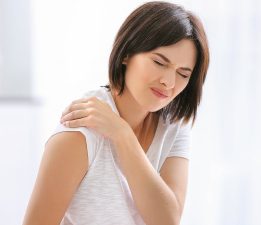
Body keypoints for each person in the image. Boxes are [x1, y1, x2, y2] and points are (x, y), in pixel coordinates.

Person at [23, 1, 209, 224]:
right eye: (159, 62)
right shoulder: (80, 131)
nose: (168, 82)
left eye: (183, 74)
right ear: (127, 54)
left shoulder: (173, 127)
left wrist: (123, 135)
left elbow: (167, 220)